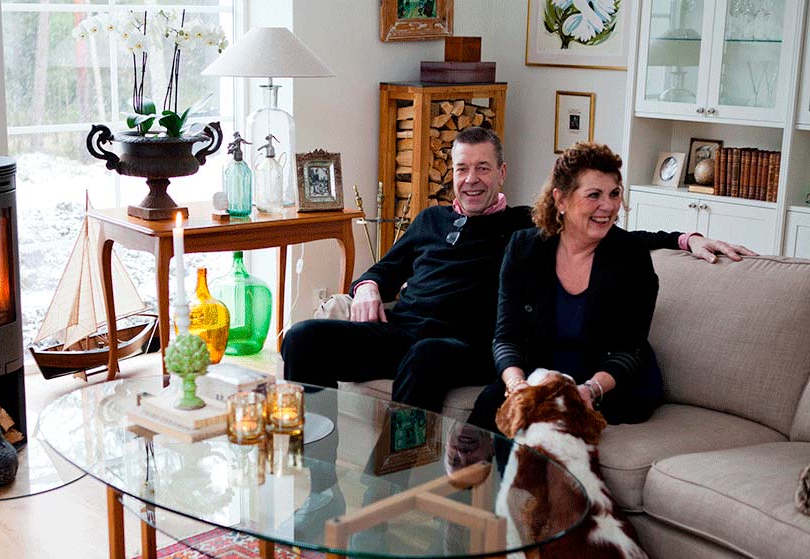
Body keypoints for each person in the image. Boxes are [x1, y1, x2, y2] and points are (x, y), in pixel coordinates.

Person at [282, 127, 753, 413]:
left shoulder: (526, 226)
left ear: (502, 173)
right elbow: (382, 270)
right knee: (304, 338)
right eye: (462, 169)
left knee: (426, 355)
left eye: (483, 168)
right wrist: (367, 287)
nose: (471, 180)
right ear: (452, 173)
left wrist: (685, 238)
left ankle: (400, 483)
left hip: (466, 345)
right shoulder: (430, 220)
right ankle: (319, 479)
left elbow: (606, 229)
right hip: (401, 331)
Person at [468, 141, 672, 434]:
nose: (608, 206)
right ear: (561, 200)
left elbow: (630, 349)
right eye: (594, 195)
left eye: (614, 193)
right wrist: (516, 385)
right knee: (487, 411)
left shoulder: (631, 256)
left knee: (552, 423)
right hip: (542, 374)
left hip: (609, 381)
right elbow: (506, 337)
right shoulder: (524, 248)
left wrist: (590, 389)